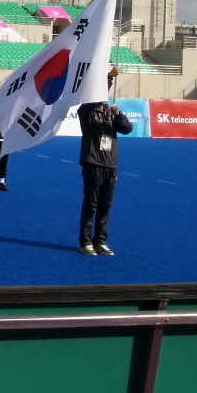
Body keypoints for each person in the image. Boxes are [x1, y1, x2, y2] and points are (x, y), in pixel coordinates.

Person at [78, 68, 131, 256]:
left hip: (111, 165)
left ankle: (100, 240)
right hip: (93, 163)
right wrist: (108, 77)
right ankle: (85, 242)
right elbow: (91, 99)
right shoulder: (86, 111)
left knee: (105, 206)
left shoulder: (111, 112)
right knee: (90, 204)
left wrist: (119, 116)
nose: (103, 97)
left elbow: (127, 129)